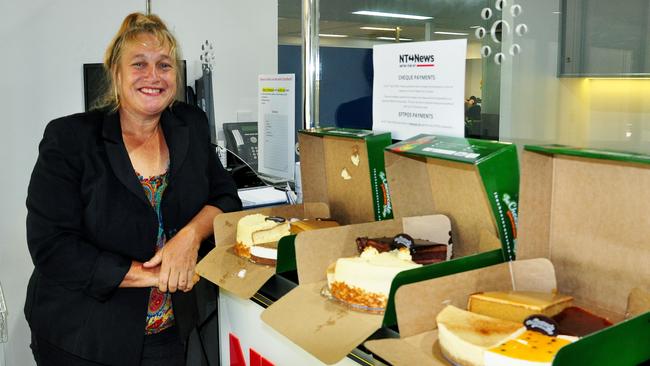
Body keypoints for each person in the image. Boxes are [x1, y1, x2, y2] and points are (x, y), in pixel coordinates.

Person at [25, 12, 241, 366]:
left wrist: (189, 236)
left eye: (164, 65)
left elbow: (226, 196)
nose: (153, 76)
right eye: (139, 64)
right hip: (85, 338)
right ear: (116, 73)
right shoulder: (71, 139)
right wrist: (153, 275)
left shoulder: (190, 124)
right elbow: (52, 247)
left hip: (169, 333)